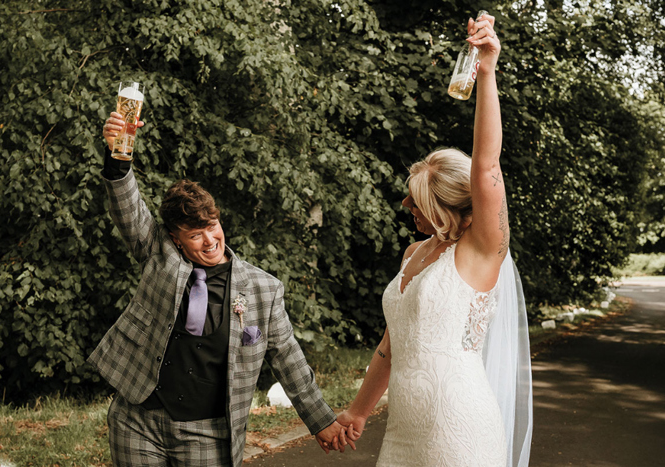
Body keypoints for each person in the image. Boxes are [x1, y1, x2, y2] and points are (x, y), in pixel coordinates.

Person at [88, 113, 349, 466]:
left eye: (212, 227)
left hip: (207, 434)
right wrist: (119, 152)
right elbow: (127, 206)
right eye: (195, 235)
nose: (210, 240)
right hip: (138, 422)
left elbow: (288, 357)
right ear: (176, 240)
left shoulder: (263, 289)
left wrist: (322, 421)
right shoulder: (158, 253)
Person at [336, 13, 533, 467]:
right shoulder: (413, 255)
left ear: (446, 206)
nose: (407, 210)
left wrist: (487, 71)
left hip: (459, 428)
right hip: (404, 432)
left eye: (416, 202)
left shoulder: (481, 252)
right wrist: (358, 411)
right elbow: (391, 345)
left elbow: (486, 169)